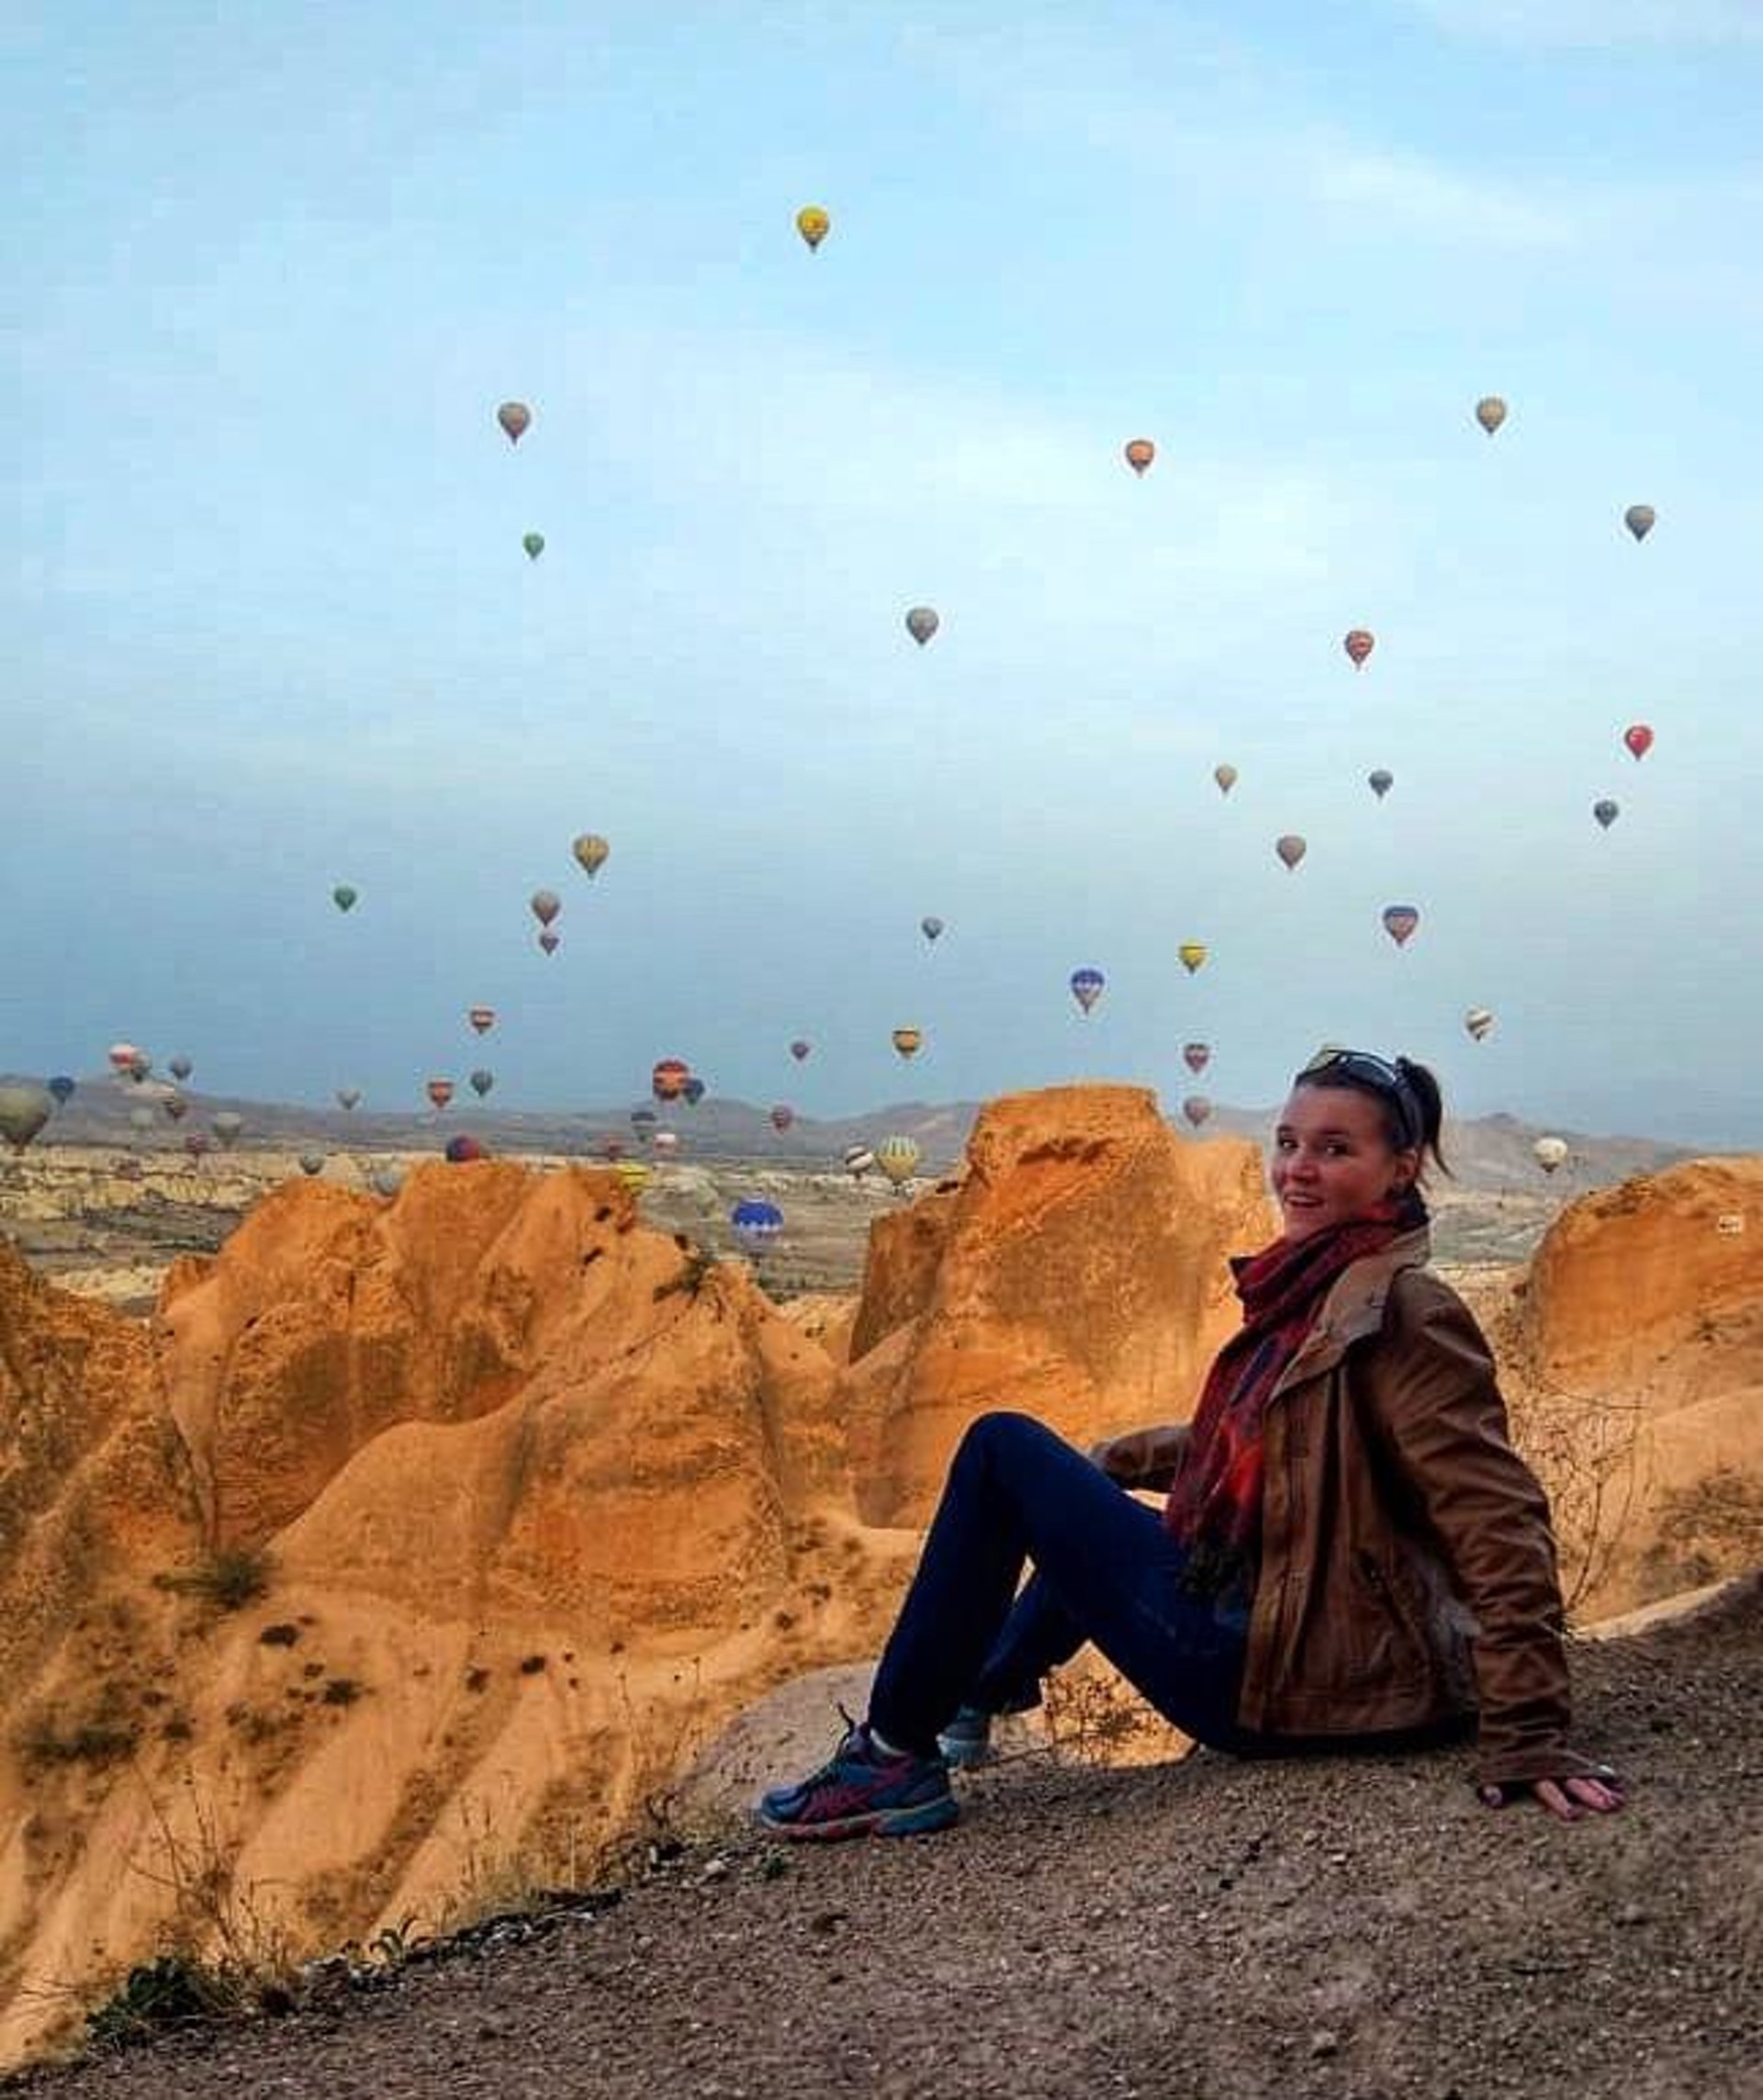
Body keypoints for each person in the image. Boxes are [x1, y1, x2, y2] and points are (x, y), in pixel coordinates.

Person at [758, 1049, 1625, 1840]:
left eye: (1334, 1149)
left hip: (1291, 1678)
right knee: (1068, 1479)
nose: (1298, 1169)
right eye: (1288, 1143)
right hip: (1286, 1643)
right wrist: (1111, 1465)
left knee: (998, 1446)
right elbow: (1277, 1444)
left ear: (1399, 1169)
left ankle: (897, 1750)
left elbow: (1499, 1515)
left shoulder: (1405, 1309)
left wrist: (1529, 1730)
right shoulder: (1323, 1289)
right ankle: (983, 1690)